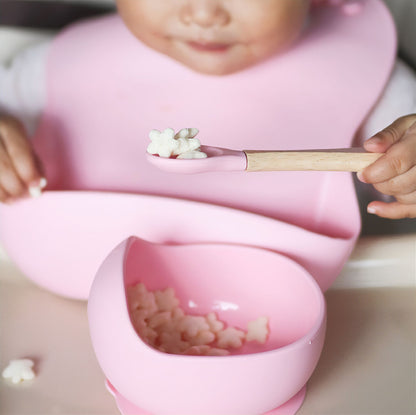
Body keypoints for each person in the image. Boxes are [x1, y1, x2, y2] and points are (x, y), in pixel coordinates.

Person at [0, 0, 415, 221]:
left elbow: (403, 163)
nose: (203, 13)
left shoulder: (370, 77)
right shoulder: (57, 68)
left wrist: (406, 171)